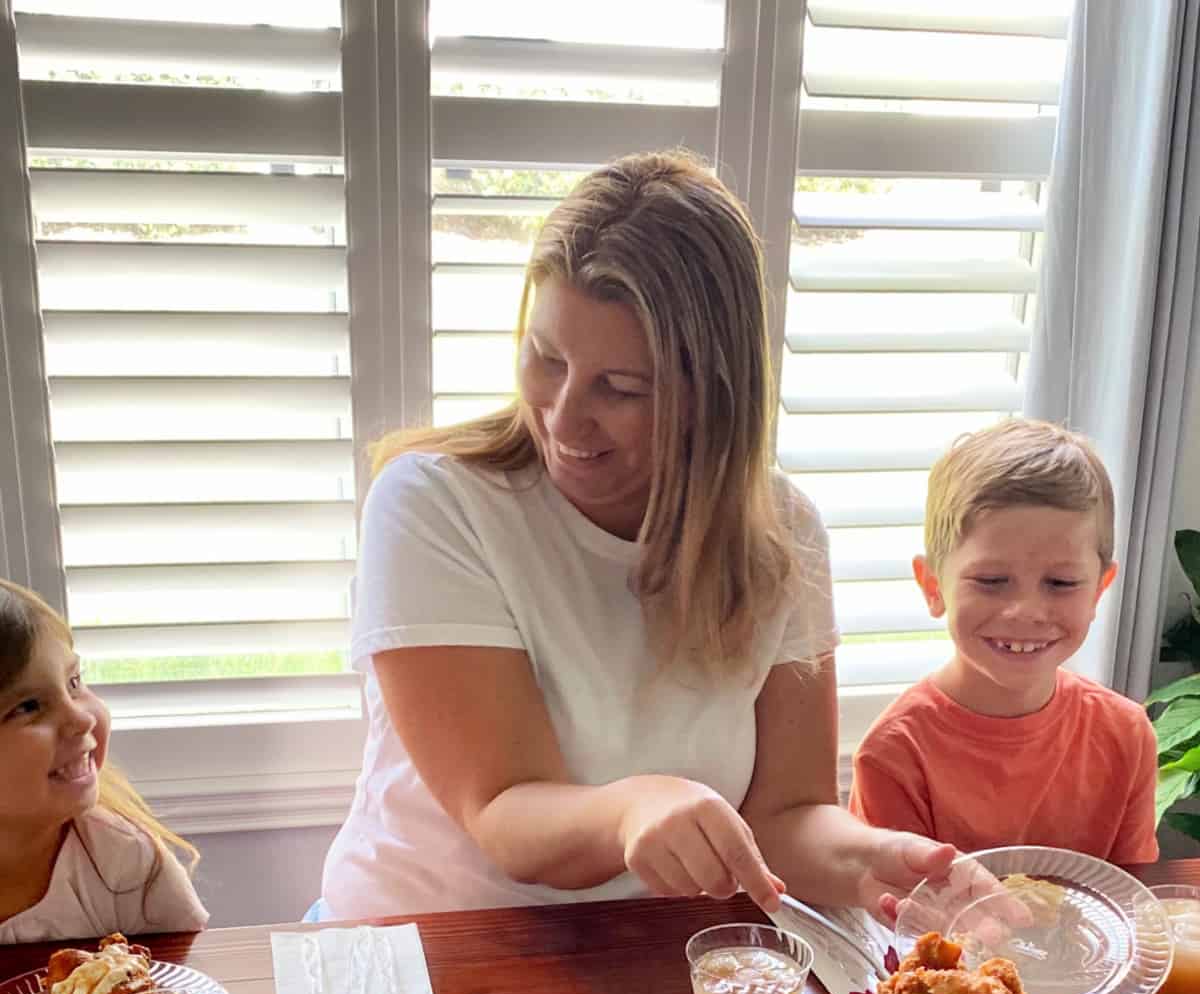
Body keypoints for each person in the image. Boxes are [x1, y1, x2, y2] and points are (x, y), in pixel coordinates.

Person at [321, 150, 955, 921]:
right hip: (418, 951)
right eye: (546, 359)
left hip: (642, 952)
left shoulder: (784, 532)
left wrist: (882, 862)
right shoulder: (432, 502)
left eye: (621, 389)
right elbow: (501, 810)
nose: (562, 417)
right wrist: (636, 808)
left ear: (714, 395)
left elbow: (786, 817)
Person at [850, 418, 1159, 864]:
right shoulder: (895, 753)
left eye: (1061, 582)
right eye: (992, 580)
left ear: (1098, 591)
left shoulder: (1127, 735)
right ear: (933, 587)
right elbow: (902, 918)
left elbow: (1130, 899)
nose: (1026, 611)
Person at [0, 579, 210, 942]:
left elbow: (180, 983)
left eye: (74, 682)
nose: (83, 718)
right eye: (29, 706)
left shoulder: (125, 862)